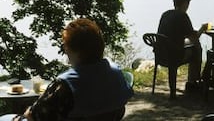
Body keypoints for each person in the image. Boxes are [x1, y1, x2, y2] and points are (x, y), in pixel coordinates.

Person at [0, 18, 133, 121]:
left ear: (73, 50)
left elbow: (33, 117)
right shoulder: (116, 73)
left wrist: (27, 111)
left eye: (66, 46)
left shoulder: (65, 85)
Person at [157, 0, 207, 93]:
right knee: (197, 48)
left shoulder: (165, 14)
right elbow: (194, 38)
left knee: (193, 46)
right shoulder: (183, 16)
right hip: (174, 55)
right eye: (187, 4)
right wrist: (202, 29)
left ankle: (191, 83)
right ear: (184, 4)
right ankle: (193, 82)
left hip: (161, 54)